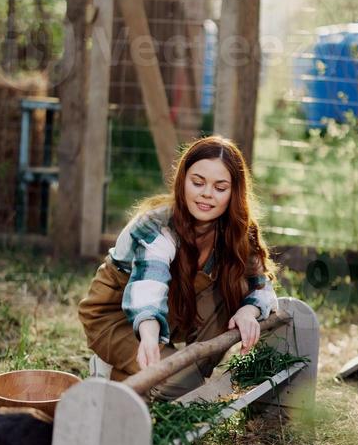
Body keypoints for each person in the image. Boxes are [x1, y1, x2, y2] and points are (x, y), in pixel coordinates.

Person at [78, 135, 278, 400]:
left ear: (234, 193)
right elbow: (150, 282)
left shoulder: (237, 229)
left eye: (220, 187)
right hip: (118, 315)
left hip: (172, 308)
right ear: (183, 180)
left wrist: (248, 311)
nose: (206, 193)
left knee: (235, 285)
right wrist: (149, 334)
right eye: (198, 182)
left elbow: (261, 285)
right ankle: (112, 371)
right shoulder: (156, 225)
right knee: (188, 388)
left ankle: (182, 376)